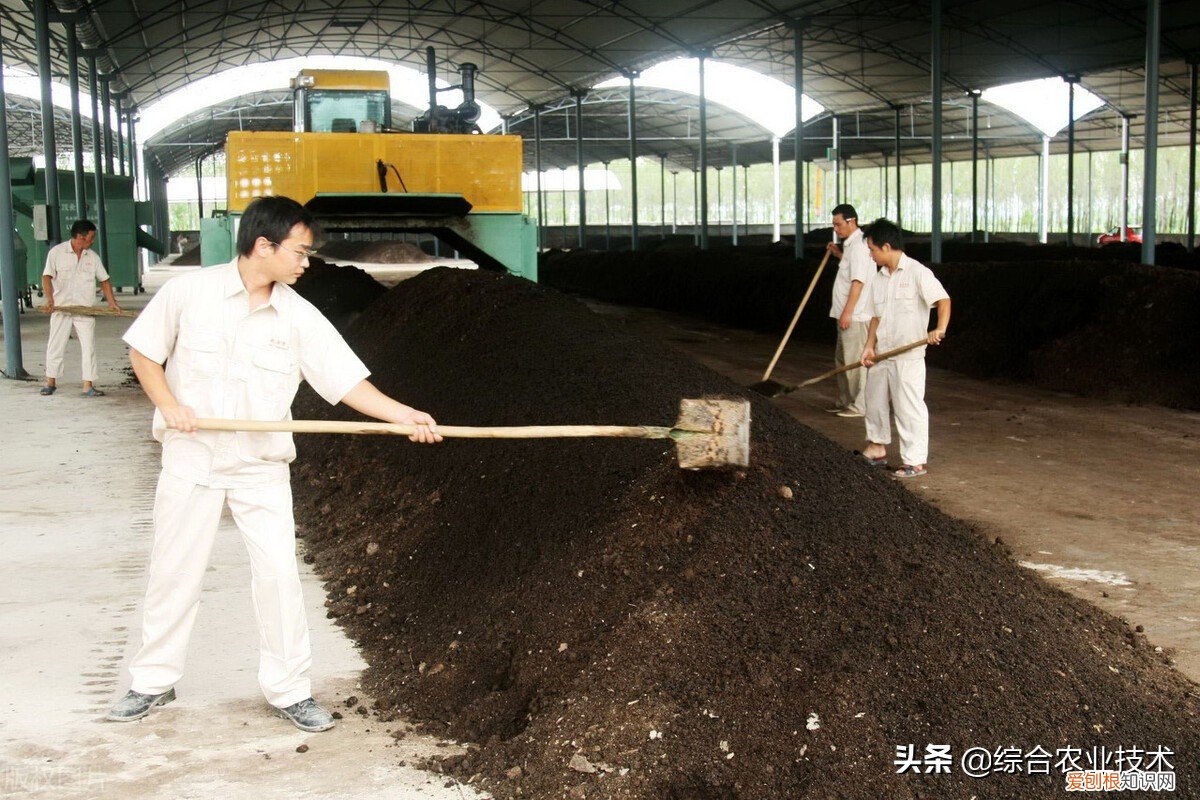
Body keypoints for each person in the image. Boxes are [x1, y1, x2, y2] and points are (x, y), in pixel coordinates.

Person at [110, 196, 442, 732]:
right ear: (264, 245)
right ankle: (152, 680)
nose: (306, 263)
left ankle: (290, 690)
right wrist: (169, 406)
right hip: (192, 458)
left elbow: (345, 382)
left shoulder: (298, 315)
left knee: (279, 576)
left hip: (259, 464)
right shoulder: (188, 293)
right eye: (300, 251)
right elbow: (144, 353)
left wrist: (403, 415)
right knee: (174, 569)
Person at [857, 218, 950, 479]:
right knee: (873, 401)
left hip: (908, 356)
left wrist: (938, 329)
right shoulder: (879, 278)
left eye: (873, 249)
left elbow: (943, 300)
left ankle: (915, 460)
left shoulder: (917, 273)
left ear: (887, 247)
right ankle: (877, 448)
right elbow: (876, 316)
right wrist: (868, 346)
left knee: (908, 406)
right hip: (882, 353)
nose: (871, 254)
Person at [40, 220, 121, 397]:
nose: (92, 241)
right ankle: (50, 382)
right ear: (80, 236)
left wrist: (112, 303)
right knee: (55, 344)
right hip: (61, 308)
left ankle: (88, 385)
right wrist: (50, 299)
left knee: (88, 346)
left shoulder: (92, 257)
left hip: (85, 309)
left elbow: (104, 279)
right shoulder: (57, 253)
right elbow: (46, 277)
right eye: (91, 237)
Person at [824, 204, 874, 418]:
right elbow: (851, 267)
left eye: (838, 224)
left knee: (855, 362)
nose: (836, 228)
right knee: (843, 360)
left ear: (851, 221)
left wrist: (848, 312)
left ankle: (860, 405)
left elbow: (858, 281)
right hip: (844, 313)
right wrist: (838, 254)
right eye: (834, 224)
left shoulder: (861, 246)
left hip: (855, 315)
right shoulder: (851, 247)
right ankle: (846, 401)